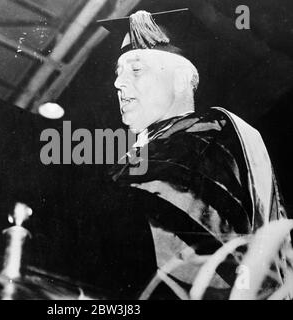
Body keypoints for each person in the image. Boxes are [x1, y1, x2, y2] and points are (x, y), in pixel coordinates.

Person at [98, 9, 289, 298]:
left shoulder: (210, 133)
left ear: (180, 80)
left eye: (135, 69)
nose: (118, 83)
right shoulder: (147, 149)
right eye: (118, 72)